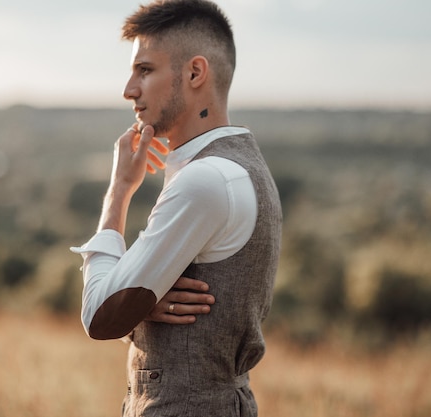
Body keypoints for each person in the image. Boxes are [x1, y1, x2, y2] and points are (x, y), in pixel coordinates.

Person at [71, 0, 282, 415]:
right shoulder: (239, 167)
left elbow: (99, 315)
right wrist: (142, 304)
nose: (128, 89)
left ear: (195, 73)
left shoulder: (205, 181)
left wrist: (118, 190)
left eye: (145, 70)